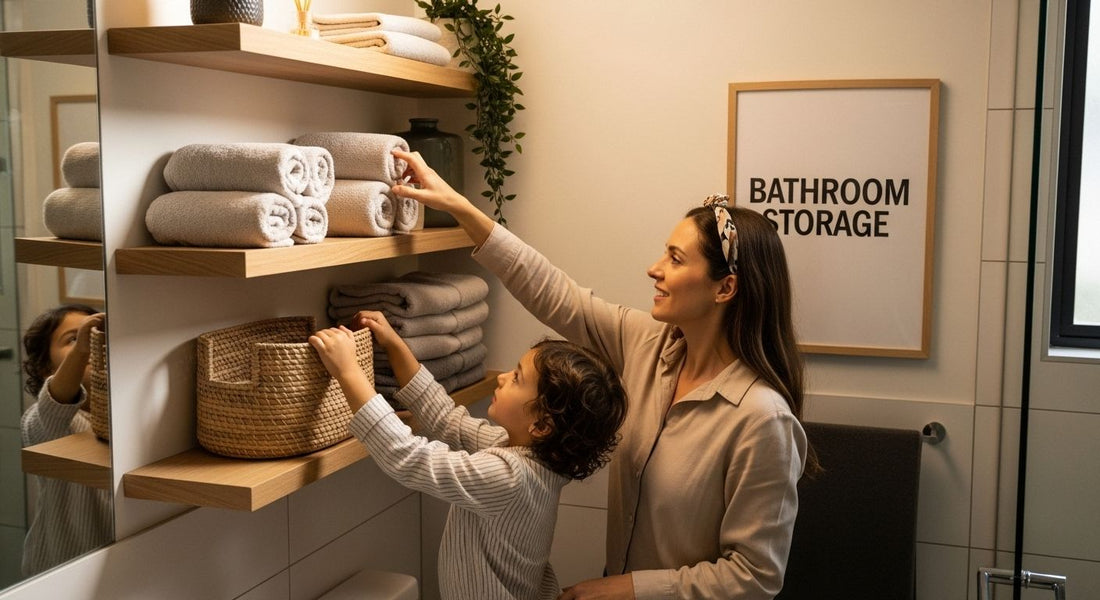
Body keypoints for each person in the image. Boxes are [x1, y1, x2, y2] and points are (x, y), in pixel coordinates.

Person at [390, 148, 817, 600]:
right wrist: (458, 206)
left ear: (725, 287)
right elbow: (552, 291)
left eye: (675, 259)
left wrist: (630, 588)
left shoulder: (762, 419)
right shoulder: (648, 344)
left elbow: (755, 576)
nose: (654, 269)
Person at [309, 310, 627, 600]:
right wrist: (394, 345)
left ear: (541, 425)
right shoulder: (531, 457)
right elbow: (447, 420)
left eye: (517, 378)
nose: (502, 377)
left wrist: (348, 371)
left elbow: (408, 457)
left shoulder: (508, 477)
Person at [20, 304, 113, 577]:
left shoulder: (124, 416)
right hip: (59, 568)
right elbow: (54, 406)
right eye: (73, 338)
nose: (92, 344)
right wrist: (83, 350)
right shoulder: (42, 422)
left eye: (97, 337)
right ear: (45, 367)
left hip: (113, 568)